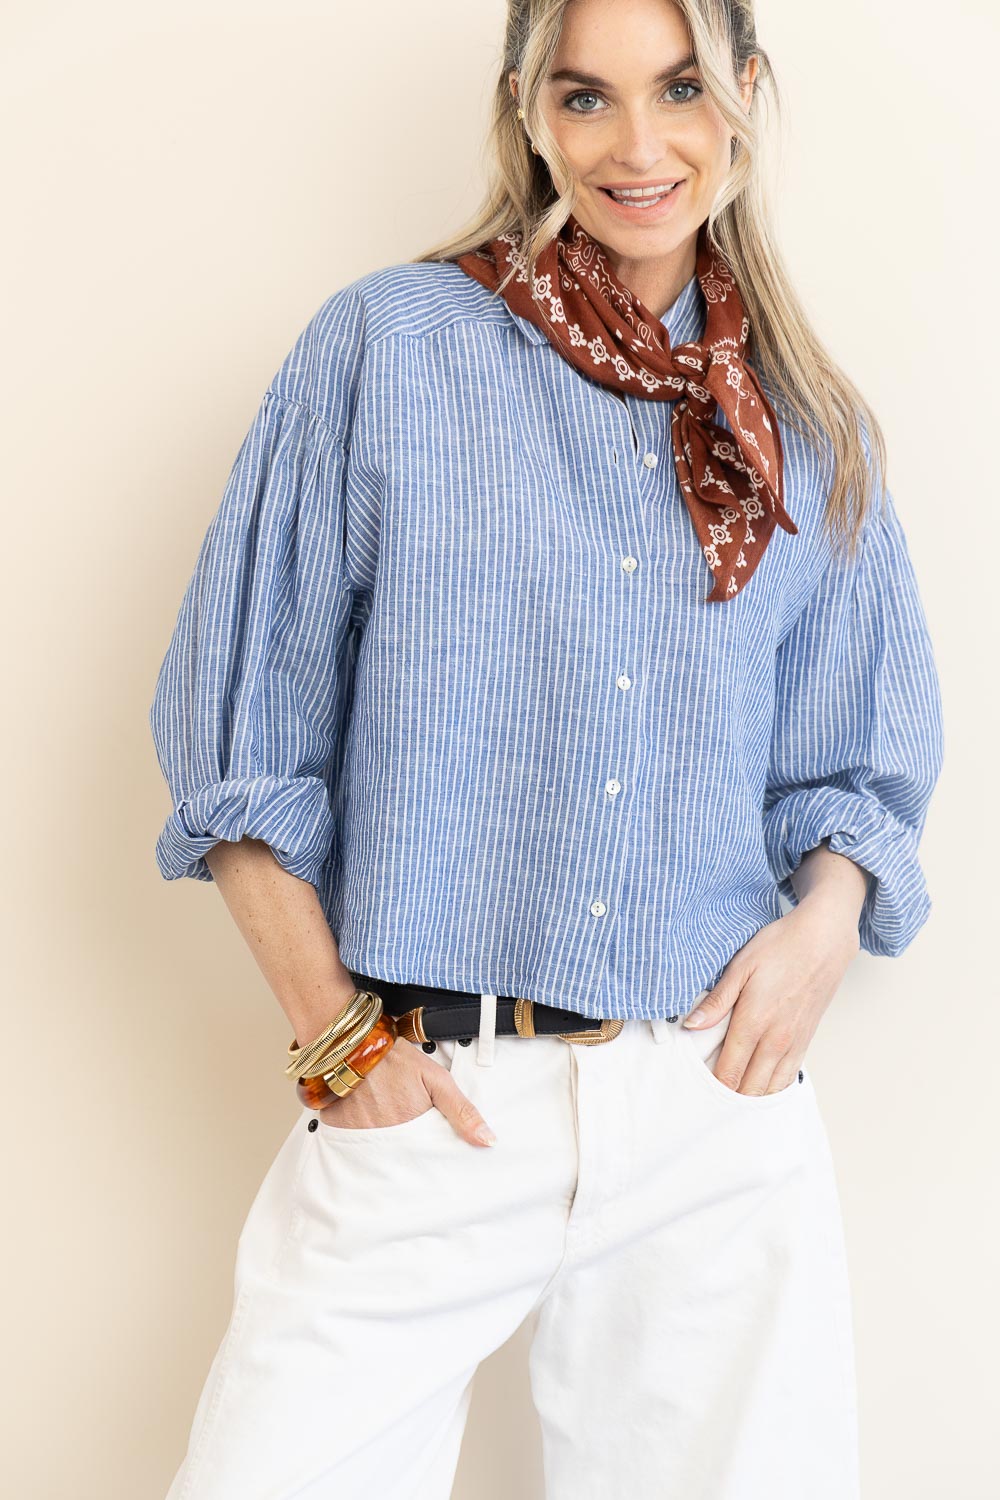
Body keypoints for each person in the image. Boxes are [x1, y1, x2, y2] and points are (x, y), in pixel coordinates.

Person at [149, 1, 944, 1496]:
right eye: (586, 97)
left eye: (680, 89)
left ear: (745, 94)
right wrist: (337, 1039)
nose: (637, 146)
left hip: (710, 1110)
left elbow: (858, 766)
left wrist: (825, 926)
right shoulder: (392, 347)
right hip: (431, 1093)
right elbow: (237, 738)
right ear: (526, 108)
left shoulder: (808, 425)